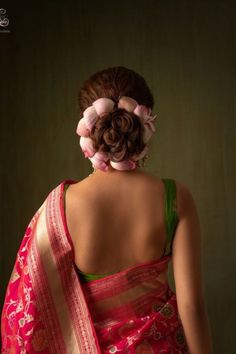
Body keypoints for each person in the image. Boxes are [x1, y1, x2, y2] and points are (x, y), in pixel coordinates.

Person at [1, 66, 213, 353]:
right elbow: (192, 306)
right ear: (145, 123)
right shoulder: (176, 198)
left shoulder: (61, 205)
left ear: (87, 127)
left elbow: (32, 306)